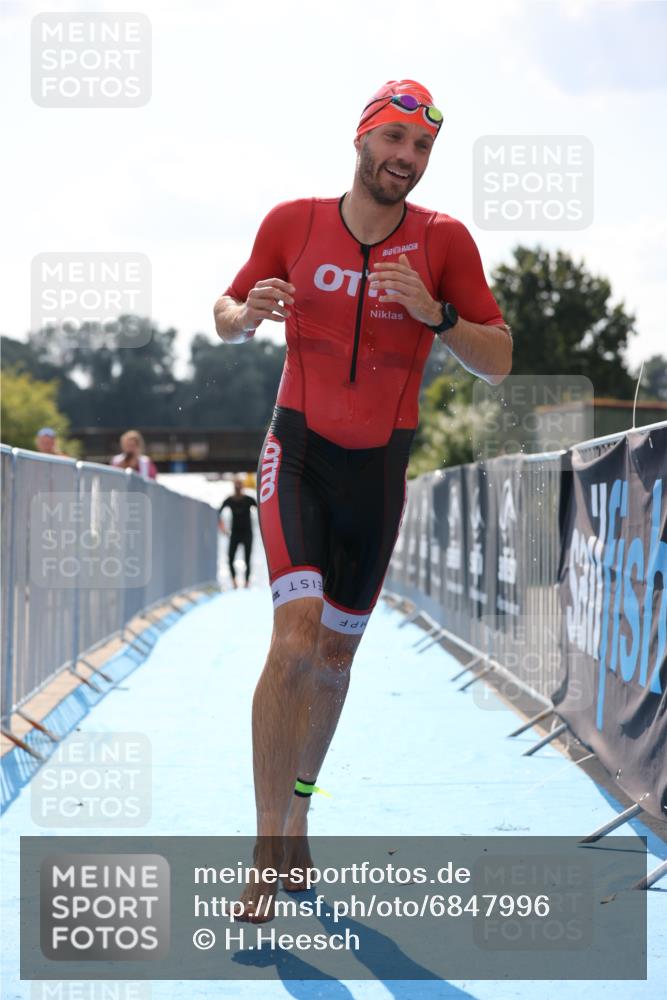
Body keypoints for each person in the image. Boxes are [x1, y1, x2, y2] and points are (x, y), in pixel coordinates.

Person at [213, 79, 512, 921]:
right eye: (395, 142)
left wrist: (439, 315)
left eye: (421, 151)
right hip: (298, 452)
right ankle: (267, 843)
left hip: (380, 470)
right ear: (362, 138)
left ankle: (300, 807)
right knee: (296, 638)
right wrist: (245, 314)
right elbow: (224, 310)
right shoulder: (293, 222)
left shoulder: (443, 241)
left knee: (336, 663)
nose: (406, 162)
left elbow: (498, 358)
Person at [219, 473, 257, 588]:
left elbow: (261, 510)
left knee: (247, 558)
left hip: (247, 533)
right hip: (235, 533)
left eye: (239, 485)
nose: (238, 488)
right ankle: (234, 580)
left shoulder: (249, 500)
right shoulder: (230, 500)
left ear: (243, 487)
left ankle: (246, 582)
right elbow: (219, 513)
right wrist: (222, 527)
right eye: (236, 485)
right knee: (230, 558)